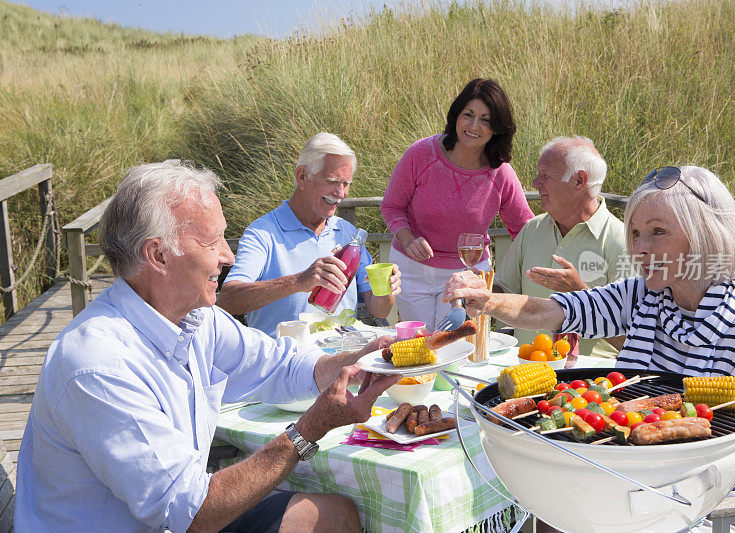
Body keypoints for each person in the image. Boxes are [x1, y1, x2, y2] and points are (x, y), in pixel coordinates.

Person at [15, 162, 399, 532]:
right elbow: (193, 513)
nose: (227, 257)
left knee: (334, 515)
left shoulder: (195, 316)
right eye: (212, 240)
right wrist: (309, 429)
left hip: (180, 517)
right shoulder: (98, 364)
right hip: (180, 519)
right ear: (159, 255)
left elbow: (278, 364)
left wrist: (359, 360)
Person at [444, 165, 735, 532]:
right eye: (636, 233)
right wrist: (487, 302)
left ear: (704, 236)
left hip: (712, 507)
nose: (641, 249)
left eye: (658, 232)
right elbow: (559, 310)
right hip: (622, 485)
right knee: (543, 515)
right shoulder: (644, 294)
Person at [380, 78, 534, 332]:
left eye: (485, 120)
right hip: (412, 271)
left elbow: (524, 228)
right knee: (420, 348)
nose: (474, 126)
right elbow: (392, 206)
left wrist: (515, 275)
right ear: (456, 116)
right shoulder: (420, 154)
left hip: (467, 275)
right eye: (468, 115)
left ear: (497, 128)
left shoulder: (501, 173)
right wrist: (408, 240)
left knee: (456, 347)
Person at [217, 132, 401, 336]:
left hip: (340, 357)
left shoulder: (348, 232)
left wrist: (387, 287)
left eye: (346, 184)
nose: (341, 194)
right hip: (282, 361)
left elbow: (379, 310)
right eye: (332, 181)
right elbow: (228, 299)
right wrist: (299, 282)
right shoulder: (262, 232)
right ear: (302, 176)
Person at [497, 136, 627, 358]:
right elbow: (501, 292)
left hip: (589, 385)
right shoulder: (532, 228)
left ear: (579, 181)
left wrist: (580, 294)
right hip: (525, 372)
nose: (536, 183)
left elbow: (632, 339)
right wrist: (477, 290)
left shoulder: (623, 241)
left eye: (545, 175)